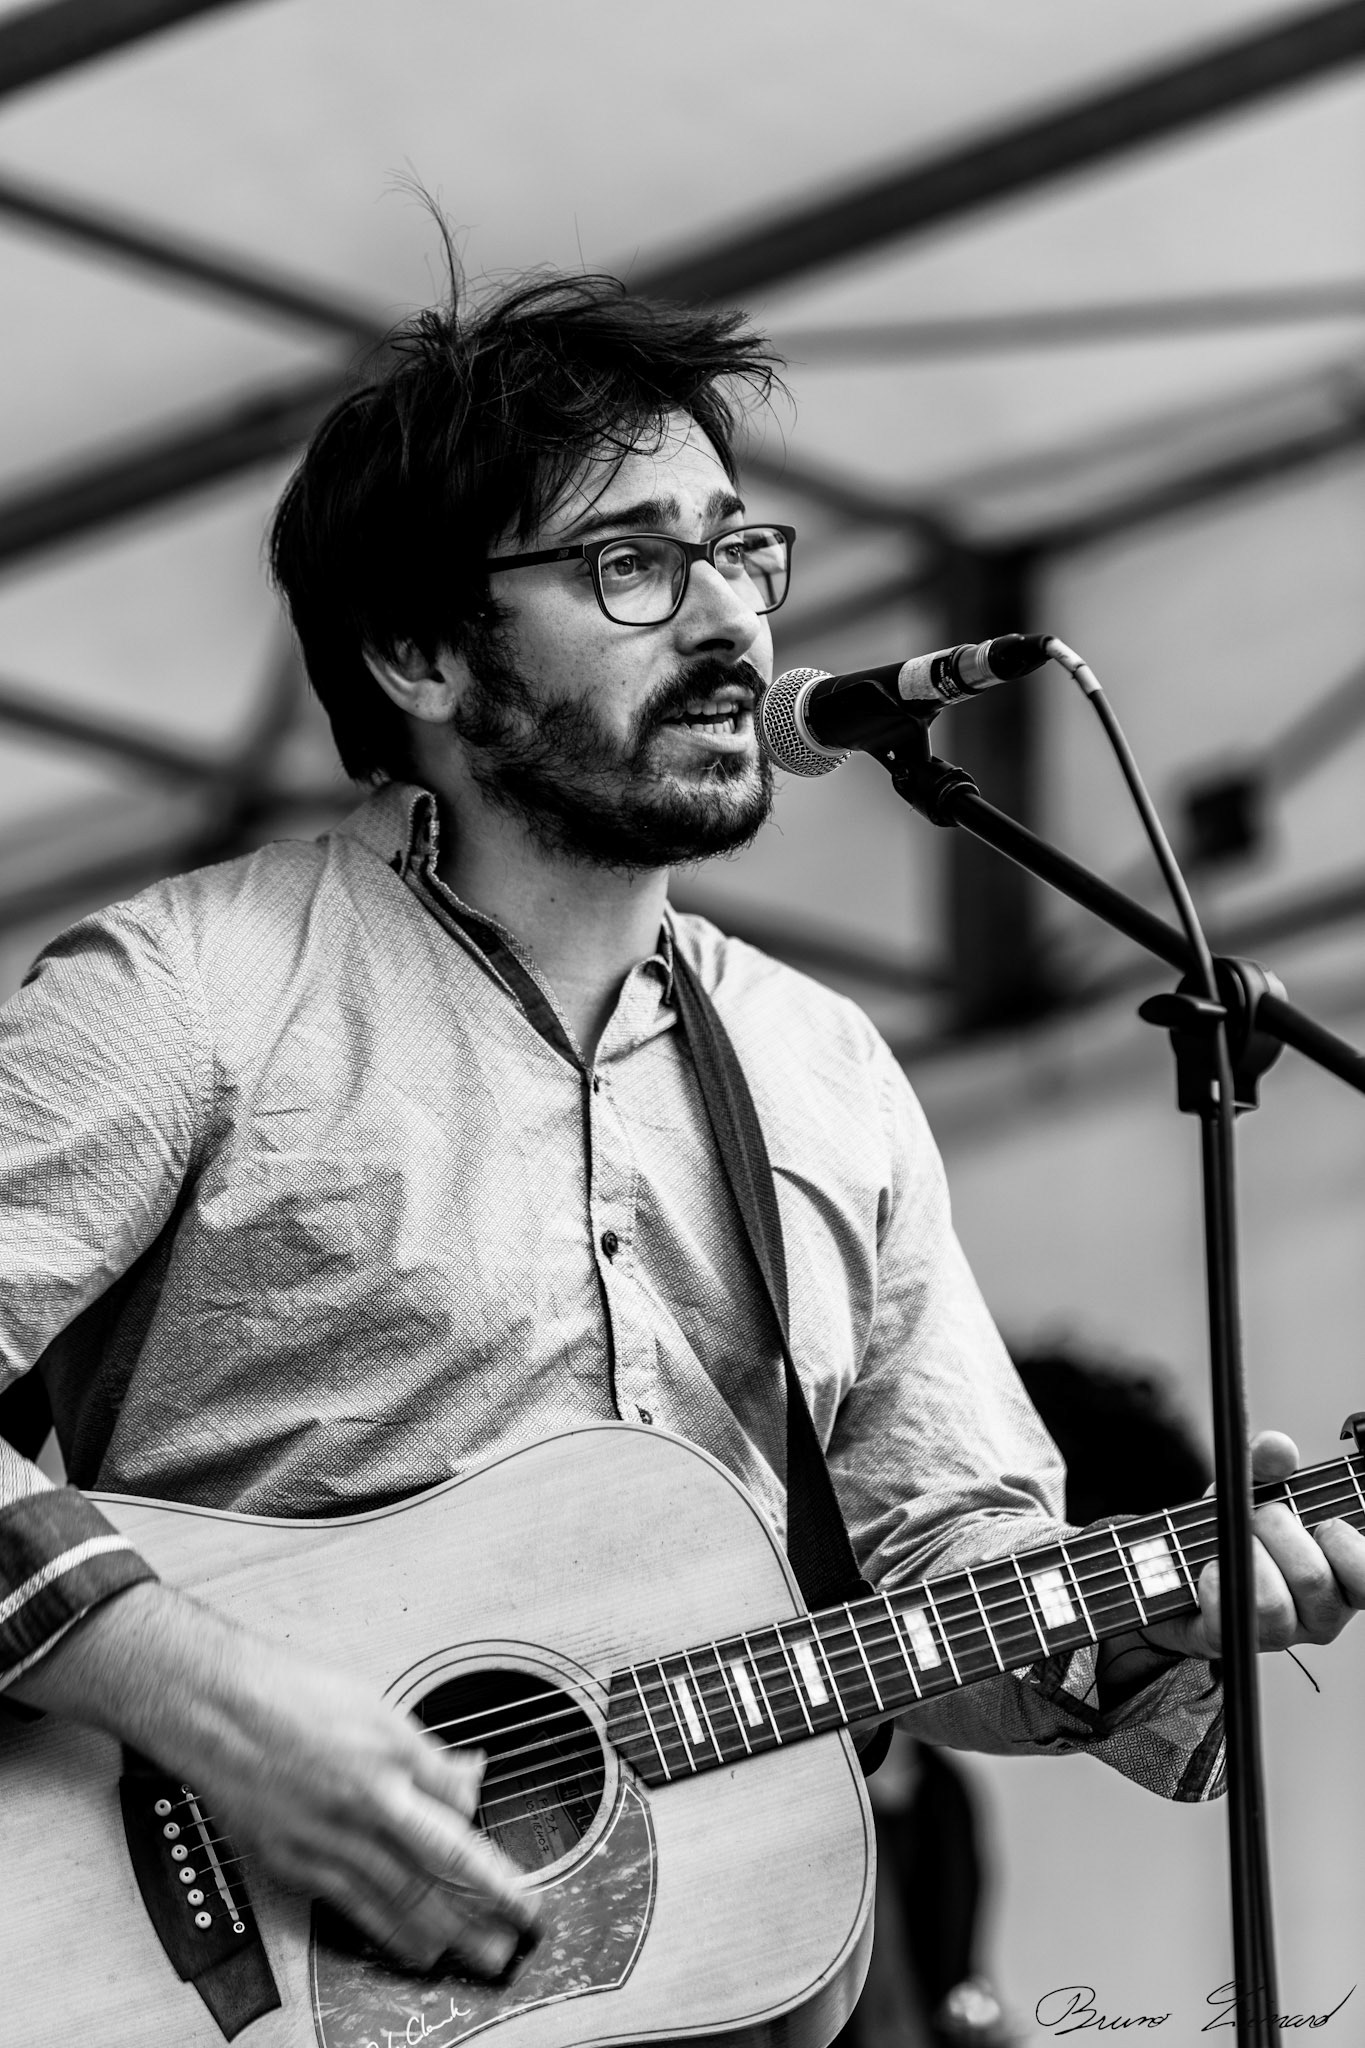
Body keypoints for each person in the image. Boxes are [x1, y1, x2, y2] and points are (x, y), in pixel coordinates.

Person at [1, 272, 1362, 1990]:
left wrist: (1151, 1618)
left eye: (737, 551)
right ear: (418, 653)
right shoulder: (189, 992)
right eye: (629, 564)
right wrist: (224, 1706)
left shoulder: (824, 1068)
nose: (727, 620)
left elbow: (941, 1568)